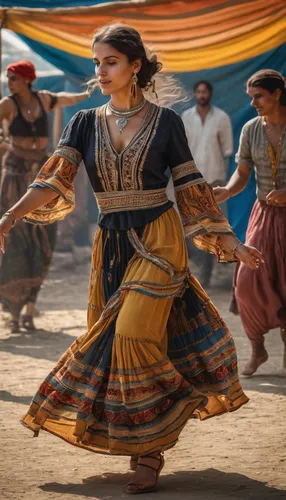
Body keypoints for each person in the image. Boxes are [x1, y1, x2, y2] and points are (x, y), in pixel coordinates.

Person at [0, 26, 263, 495]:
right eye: (97, 62)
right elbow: (52, 179)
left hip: (159, 239)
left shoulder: (166, 122)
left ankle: (162, 428)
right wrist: (8, 217)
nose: (100, 70)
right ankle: (150, 447)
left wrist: (231, 241)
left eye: (110, 62)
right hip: (112, 244)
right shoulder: (83, 122)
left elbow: (190, 189)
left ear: (135, 66)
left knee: (133, 332)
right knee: (120, 340)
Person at [0, 60, 90, 332]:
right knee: (16, 240)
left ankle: (29, 310)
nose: (9, 82)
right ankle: (14, 314)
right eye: (8, 78)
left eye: (13, 78)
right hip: (15, 176)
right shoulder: (7, 104)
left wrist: (89, 91)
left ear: (27, 79)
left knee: (43, 239)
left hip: (40, 174)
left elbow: (67, 99)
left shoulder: (43, 100)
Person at [214, 69, 286, 377]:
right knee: (247, 282)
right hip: (263, 216)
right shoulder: (250, 129)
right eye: (251, 97)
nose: (254, 102)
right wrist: (227, 190)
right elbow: (242, 174)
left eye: (259, 96)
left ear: (277, 94)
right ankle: (257, 348)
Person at [181, 80, 233, 287]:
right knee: (190, 229)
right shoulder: (186, 118)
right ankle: (199, 267)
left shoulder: (221, 118)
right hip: (191, 182)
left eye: (205, 92)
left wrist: (225, 181)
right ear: (195, 94)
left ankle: (209, 277)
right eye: (199, 92)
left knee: (215, 230)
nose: (202, 95)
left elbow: (228, 152)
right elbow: (181, 152)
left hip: (216, 181)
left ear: (210, 94)